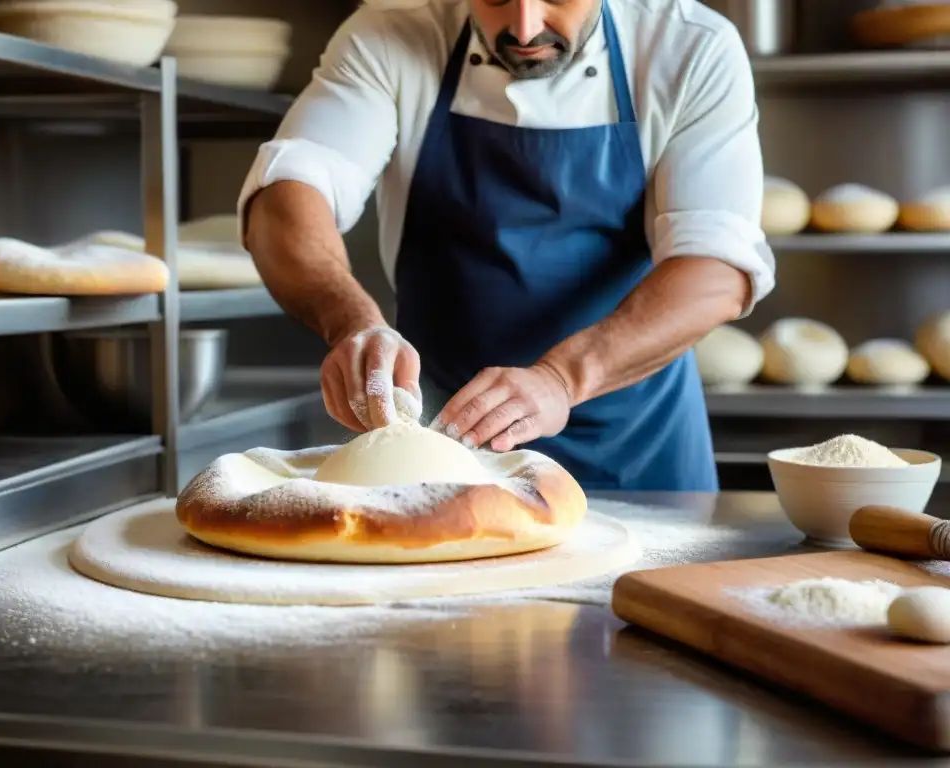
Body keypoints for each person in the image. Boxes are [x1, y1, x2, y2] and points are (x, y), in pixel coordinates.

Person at [240, 0, 776, 492]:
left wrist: (561, 379)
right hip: (443, 448)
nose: (524, 28)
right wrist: (351, 323)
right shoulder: (393, 32)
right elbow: (286, 199)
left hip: (637, 450)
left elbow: (716, 269)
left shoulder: (689, 47)